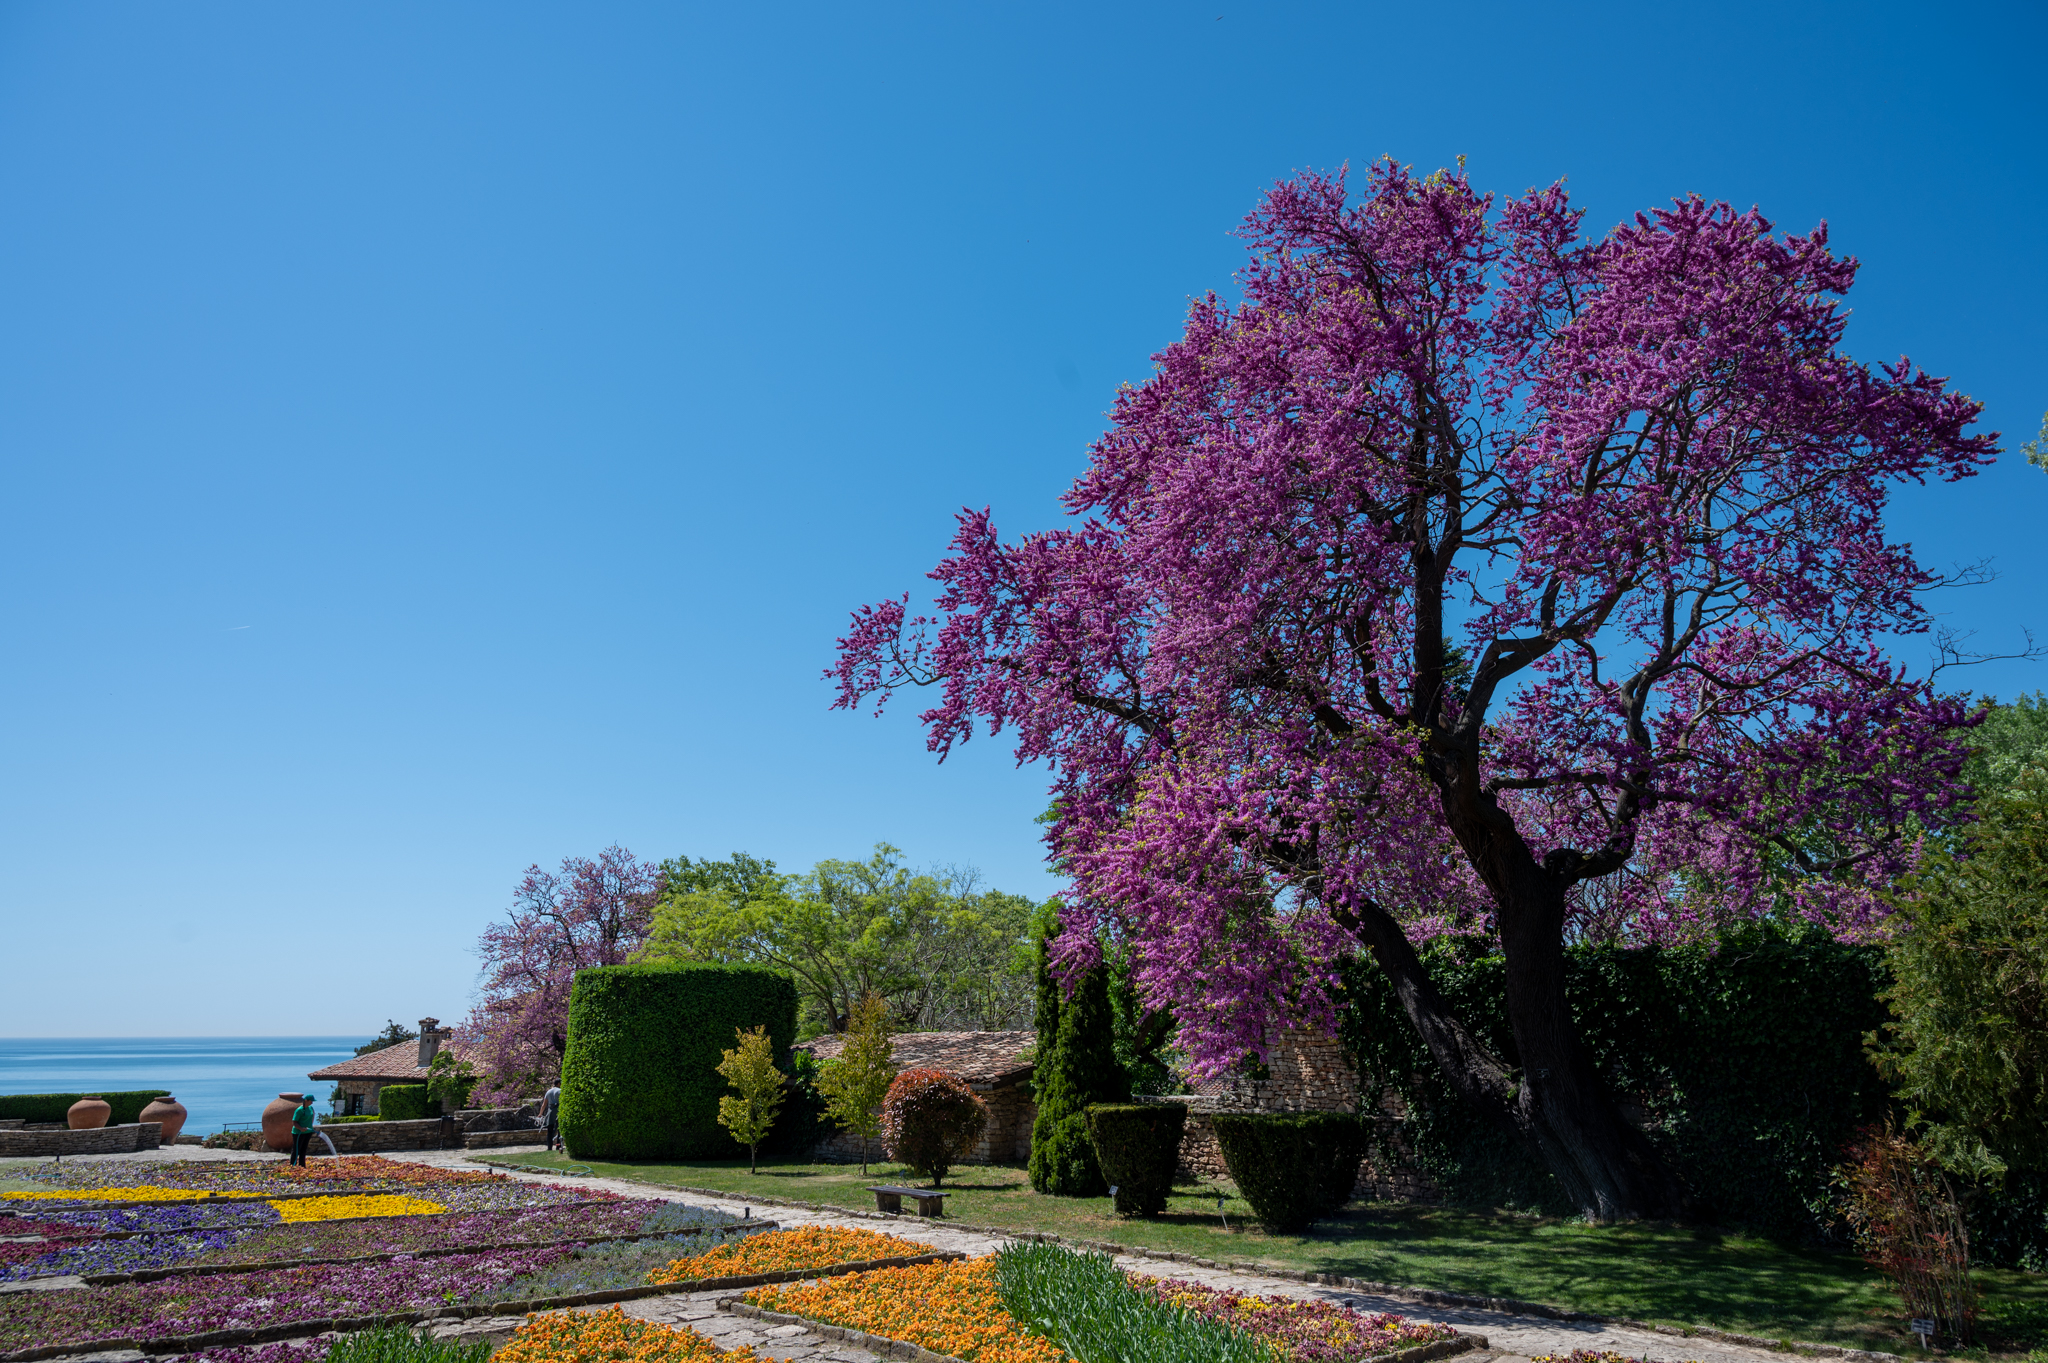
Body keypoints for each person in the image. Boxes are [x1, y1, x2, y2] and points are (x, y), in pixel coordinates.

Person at [289, 1093, 317, 1167]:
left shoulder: (311, 1108)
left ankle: (302, 1165)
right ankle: (293, 1165)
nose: (312, 1103)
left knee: (303, 1150)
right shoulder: (299, 1110)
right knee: (296, 1150)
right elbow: (294, 1122)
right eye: (311, 1101)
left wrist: (310, 1126)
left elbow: (312, 1116)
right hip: (298, 1133)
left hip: (308, 1132)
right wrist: (301, 1128)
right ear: (306, 1100)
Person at [541, 1083, 561, 1152]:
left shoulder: (548, 1091)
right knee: (559, 1130)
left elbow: (544, 1104)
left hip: (550, 1112)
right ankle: (558, 1147)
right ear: (559, 1084)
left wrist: (540, 1114)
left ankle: (549, 1147)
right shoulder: (560, 1091)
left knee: (550, 1130)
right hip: (558, 1111)